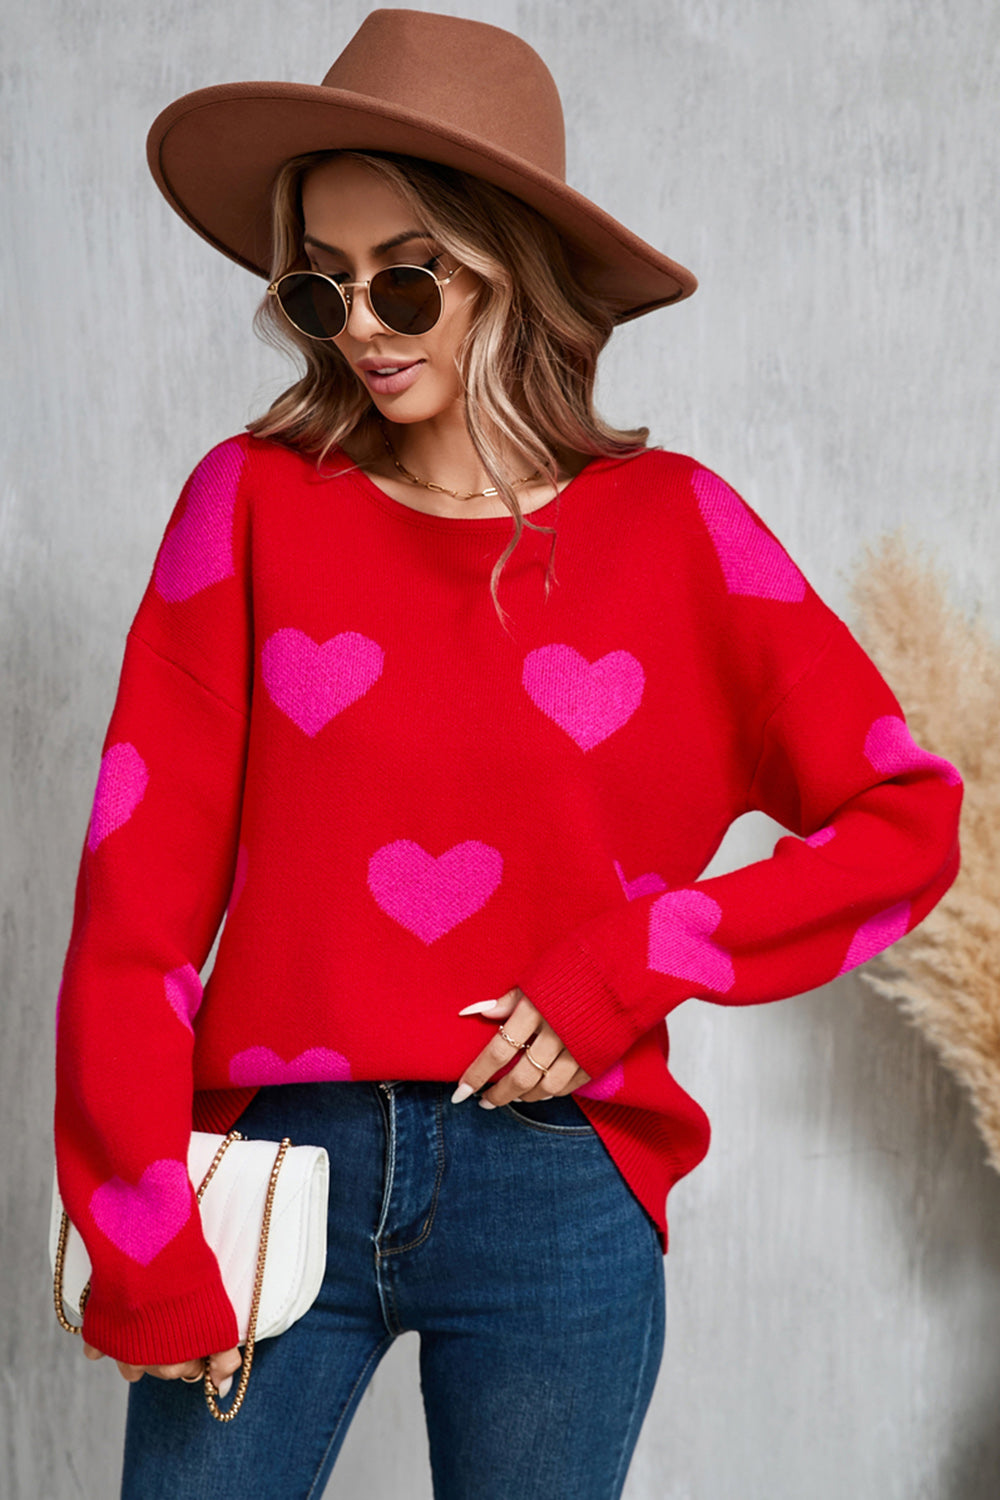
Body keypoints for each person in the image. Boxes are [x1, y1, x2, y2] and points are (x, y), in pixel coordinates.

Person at [53, 9, 963, 1498]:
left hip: (560, 1185)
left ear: (507, 269)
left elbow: (906, 821)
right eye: (321, 283)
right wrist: (140, 1236)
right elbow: (133, 910)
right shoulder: (252, 506)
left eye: (406, 276)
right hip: (276, 1169)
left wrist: (638, 957)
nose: (362, 324)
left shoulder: (675, 533)